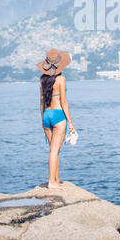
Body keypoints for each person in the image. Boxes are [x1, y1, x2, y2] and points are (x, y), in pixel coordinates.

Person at [37, 49, 76, 190]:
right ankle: (51, 182)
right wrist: (71, 123)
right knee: (54, 151)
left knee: (54, 151)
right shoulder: (61, 79)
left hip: (46, 116)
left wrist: (43, 121)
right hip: (58, 116)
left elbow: (41, 101)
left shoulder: (42, 79)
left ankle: (56, 179)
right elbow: (64, 102)